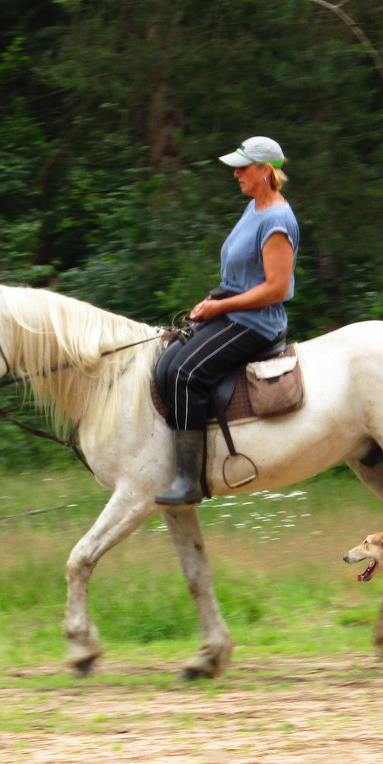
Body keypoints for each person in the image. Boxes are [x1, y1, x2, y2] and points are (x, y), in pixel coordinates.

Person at [156, 136, 300, 505]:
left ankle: (190, 480)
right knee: (166, 366)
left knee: (186, 373)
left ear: (266, 171)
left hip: (257, 322)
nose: (236, 173)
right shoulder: (255, 206)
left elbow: (277, 288)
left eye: (243, 167)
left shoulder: (277, 219)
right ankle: (180, 460)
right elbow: (244, 275)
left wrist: (220, 308)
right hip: (233, 310)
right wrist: (215, 299)